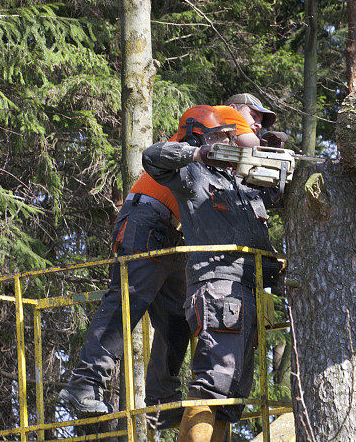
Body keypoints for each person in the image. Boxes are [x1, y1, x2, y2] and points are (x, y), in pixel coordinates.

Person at [60, 95, 272, 428]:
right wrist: (235, 145)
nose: (256, 124)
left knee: (176, 318)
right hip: (147, 218)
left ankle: (161, 399)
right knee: (127, 302)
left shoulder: (221, 153)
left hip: (173, 232)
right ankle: (85, 382)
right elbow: (161, 156)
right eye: (254, 116)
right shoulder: (212, 120)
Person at [141, 99, 283, 442]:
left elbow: (276, 195)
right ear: (214, 137)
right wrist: (197, 154)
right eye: (231, 136)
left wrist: (270, 153)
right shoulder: (194, 175)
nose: (240, 140)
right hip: (219, 289)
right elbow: (152, 157)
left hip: (247, 292)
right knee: (212, 386)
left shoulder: (243, 185)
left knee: (229, 398)